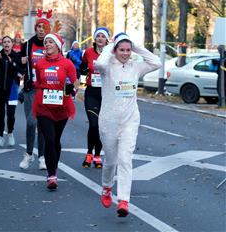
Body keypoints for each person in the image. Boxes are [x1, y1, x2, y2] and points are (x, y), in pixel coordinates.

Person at [94, 33, 161, 217]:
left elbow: (157, 62)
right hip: (109, 120)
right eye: (121, 50)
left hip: (130, 119)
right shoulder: (107, 67)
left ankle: (123, 200)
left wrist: (136, 46)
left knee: (125, 158)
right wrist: (110, 45)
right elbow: (98, 64)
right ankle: (107, 187)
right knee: (111, 161)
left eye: (128, 50)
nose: (125, 53)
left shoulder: (136, 66)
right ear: (115, 50)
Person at [33, 33, 79, 190]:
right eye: (46, 42)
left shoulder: (67, 64)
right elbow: (38, 82)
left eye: (51, 42)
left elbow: (75, 81)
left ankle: (54, 167)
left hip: (61, 106)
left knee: (56, 140)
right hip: (43, 105)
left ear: (58, 46)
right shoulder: (39, 64)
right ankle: (51, 175)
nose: (47, 44)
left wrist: (74, 88)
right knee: (49, 139)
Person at [18, 9, 52, 170]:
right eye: (38, 26)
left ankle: (42, 157)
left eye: (43, 27)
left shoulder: (51, 46)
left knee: (43, 124)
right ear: (35, 28)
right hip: (31, 88)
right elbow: (17, 65)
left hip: (46, 89)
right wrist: (22, 63)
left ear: (48, 30)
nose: (40, 29)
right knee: (31, 122)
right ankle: (29, 154)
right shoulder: (27, 46)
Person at [80, 27, 110, 169]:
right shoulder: (88, 52)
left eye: (102, 36)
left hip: (106, 94)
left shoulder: (112, 54)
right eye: (97, 36)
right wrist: (84, 71)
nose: (100, 38)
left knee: (101, 127)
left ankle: (97, 155)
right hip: (92, 92)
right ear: (94, 39)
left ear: (107, 39)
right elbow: (82, 68)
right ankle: (89, 152)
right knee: (93, 124)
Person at [0, 36, 24, 147]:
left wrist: (18, 71)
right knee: (0, 115)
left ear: (12, 44)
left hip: (12, 90)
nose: (6, 44)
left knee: (11, 114)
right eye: (4, 42)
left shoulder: (17, 56)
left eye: (8, 42)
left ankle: (10, 133)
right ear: (2, 44)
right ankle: (0, 137)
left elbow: (22, 70)